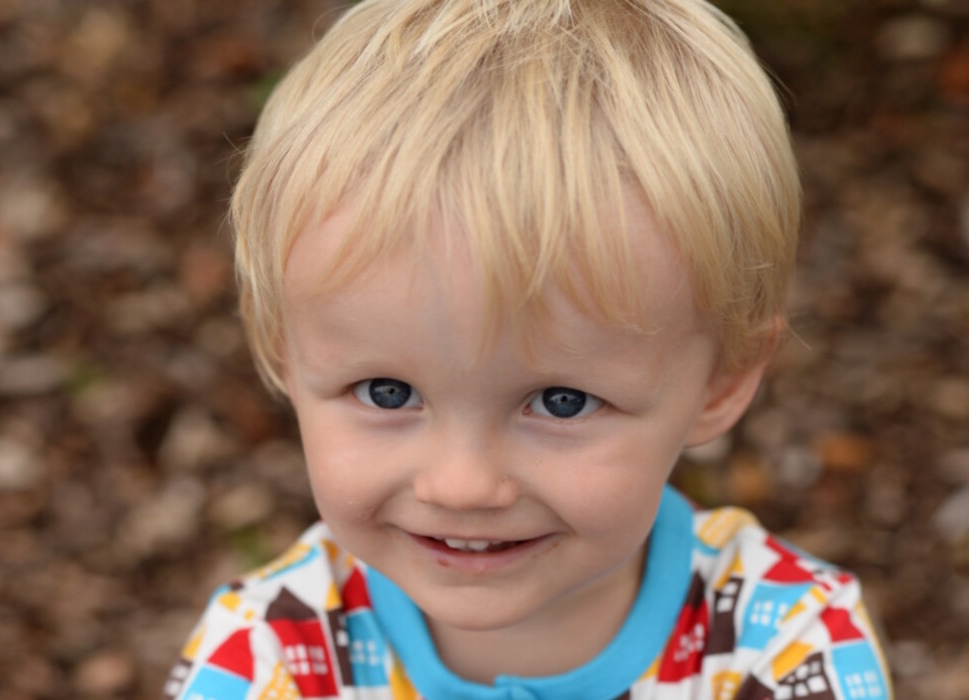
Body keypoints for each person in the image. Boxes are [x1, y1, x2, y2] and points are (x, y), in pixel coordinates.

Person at [165, 0, 893, 697]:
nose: (462, 485)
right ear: (283, 353)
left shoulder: (787, 645)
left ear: (721, 382)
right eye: (388, 392)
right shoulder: (271, 656)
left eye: (560, 402)